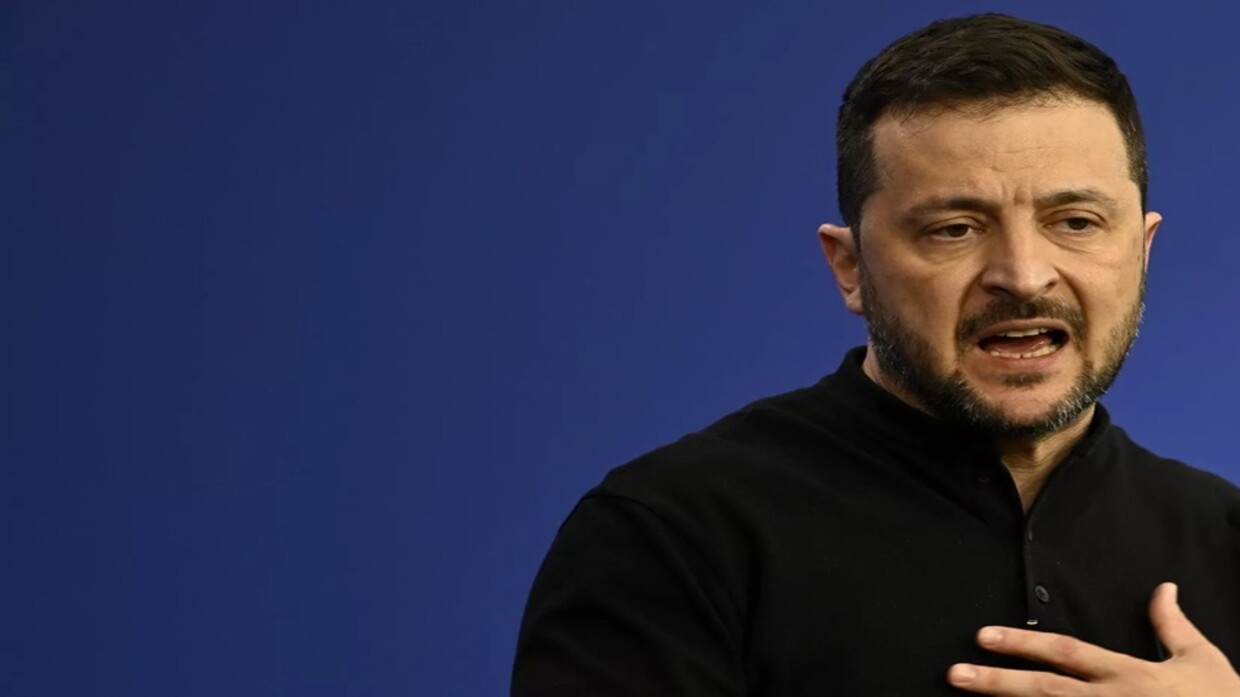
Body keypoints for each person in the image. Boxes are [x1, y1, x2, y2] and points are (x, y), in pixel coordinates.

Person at [512, 13, 1240, 696]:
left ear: (1142, 250)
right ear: (850, 267)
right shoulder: (669, 534)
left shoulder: (1226, 536)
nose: (1023, 275)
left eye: (1075, 221)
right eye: (954, 229)